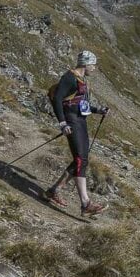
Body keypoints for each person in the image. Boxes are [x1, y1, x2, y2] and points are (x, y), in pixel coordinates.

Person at [44, 50, 109, 217]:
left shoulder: (81, 79)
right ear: (85, 64)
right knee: (81, 159)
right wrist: (62, 123)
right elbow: (58, 99)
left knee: (82, 159)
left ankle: (54, 190)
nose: (94, 68)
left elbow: (81, 103)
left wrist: (97, 110)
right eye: (93, 64)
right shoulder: (69, 78)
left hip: (80, 120)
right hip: (72, 121)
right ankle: (85, 203)